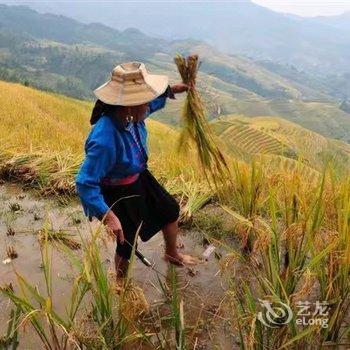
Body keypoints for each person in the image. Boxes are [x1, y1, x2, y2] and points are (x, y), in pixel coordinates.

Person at [75, 62, 196, 278]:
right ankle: (120, 284)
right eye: (145, 101)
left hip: (140, 176)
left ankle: (171, 253)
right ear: (130, 106)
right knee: (126, 240)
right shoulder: (104, 138)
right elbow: (85, 182)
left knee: (169, 208)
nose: (148, 104)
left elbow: (153, 104)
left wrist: (171, 90)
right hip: (116, 190)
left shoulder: (132, 115)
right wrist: (109, 216)